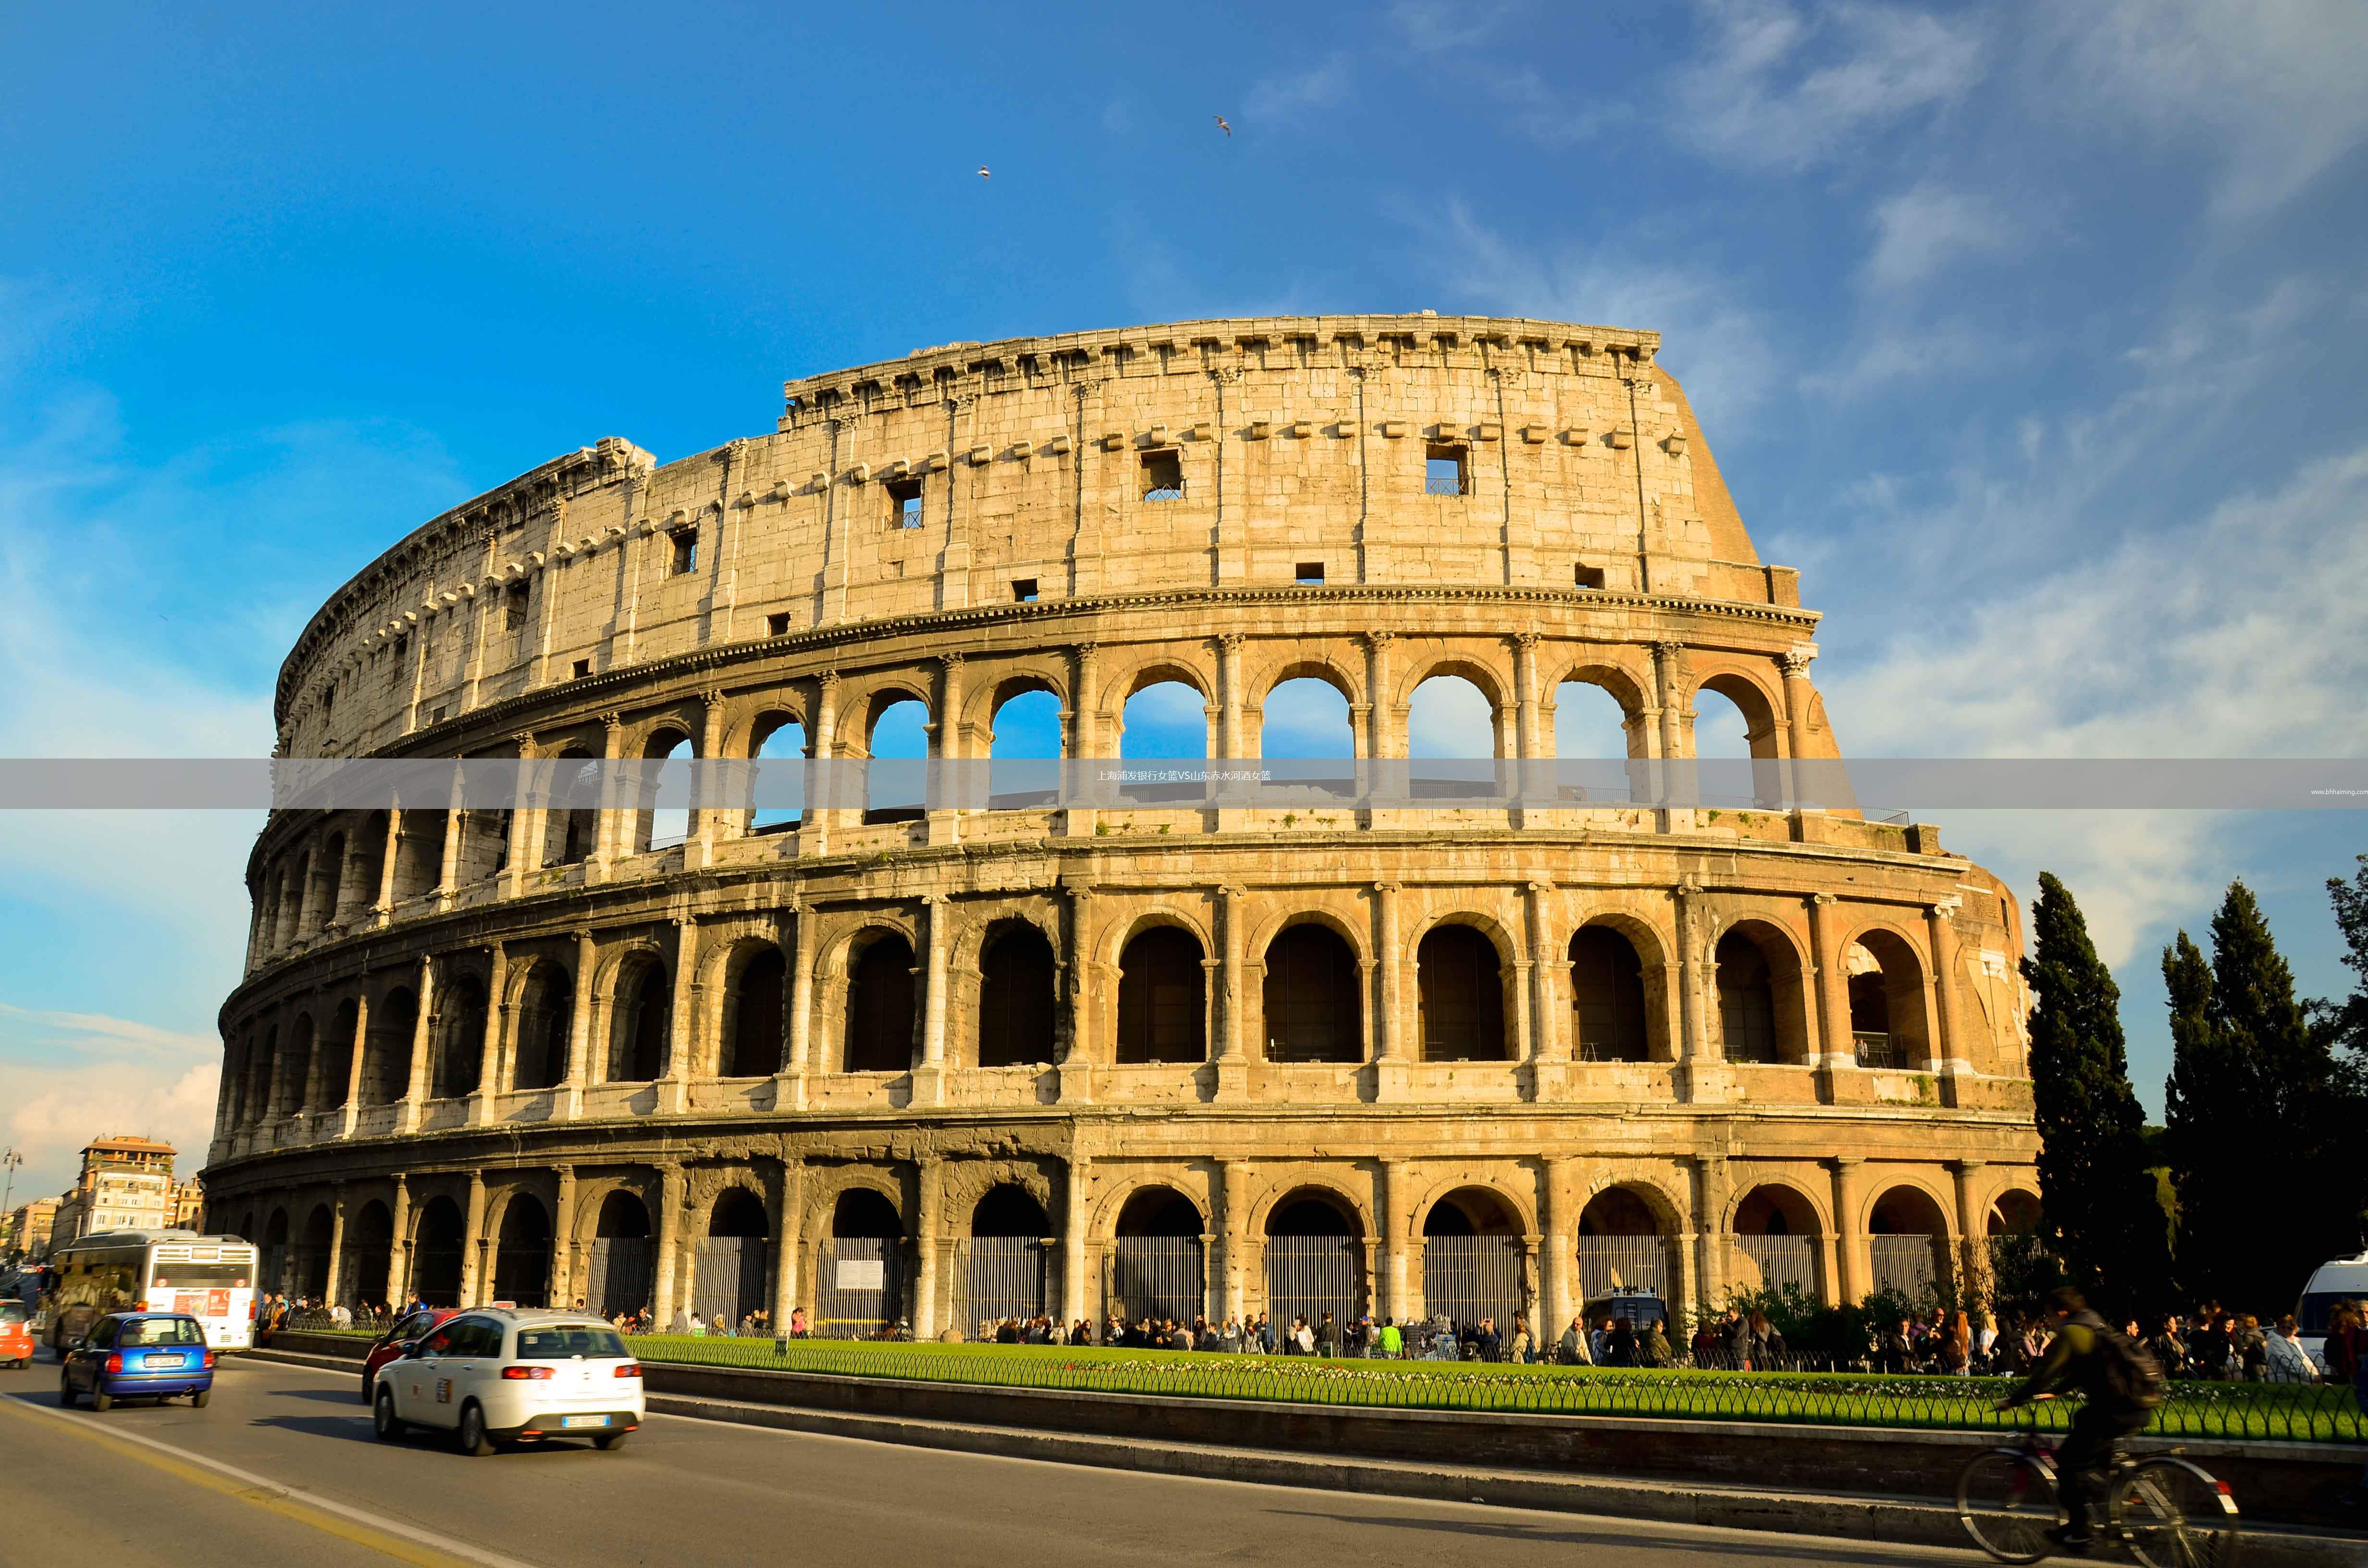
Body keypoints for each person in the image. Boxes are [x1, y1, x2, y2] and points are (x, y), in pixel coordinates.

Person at [1998, 1285, 2166, 1553]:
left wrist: (2013, 1400)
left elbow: (2045, 1373)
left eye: (2050, 1315)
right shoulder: (2096, 1325)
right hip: (2138, 1405)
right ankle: (2124, 1494)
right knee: (2088, 1430)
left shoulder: (2071, 1333)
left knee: (2067, 1463)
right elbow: (2083, 1372)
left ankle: (2081, 1530)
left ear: (2061, 1312)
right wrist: (2057, 1391)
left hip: (2113, 1411)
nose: (2049, 1321)